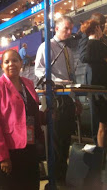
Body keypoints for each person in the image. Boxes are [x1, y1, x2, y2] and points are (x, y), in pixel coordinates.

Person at [0, 49, 43, 190]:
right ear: (2, 66)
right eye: (7, 61)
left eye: (15, 60)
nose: (11, 64)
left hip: (30, 147)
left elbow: (31, 112)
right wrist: (2, 156)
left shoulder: (28, 84)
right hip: (9, 151)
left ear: (21, 63)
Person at [35, 15, 76, 183]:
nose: (69, 32)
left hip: (68, 99)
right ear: (56, 28)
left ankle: (62, 173)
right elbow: (39, 72)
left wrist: (76, 100)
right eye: (66, 28)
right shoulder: (46, 46)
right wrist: (59, 83)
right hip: (54, 98)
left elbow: (72, 77)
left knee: (66, 138)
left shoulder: (69, 51)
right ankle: (57, 178)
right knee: (56, 139)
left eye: (70, 29)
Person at [80, 19, 107, 148]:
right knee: (105, 125)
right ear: (97, 28)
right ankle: (103, 154)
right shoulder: (97, 44)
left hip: (101, 87)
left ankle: (103, 154)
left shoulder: (91, 45)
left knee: (104, 125)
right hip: (104, 88)